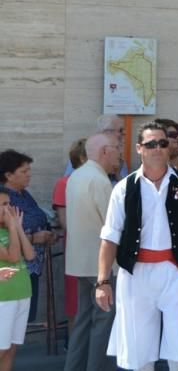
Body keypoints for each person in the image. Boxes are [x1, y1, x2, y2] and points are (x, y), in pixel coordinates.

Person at [96, 122, 178, 371]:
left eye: (163, 143)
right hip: (135, 272)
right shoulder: (124, 188)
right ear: (139, 148)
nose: (158, 148)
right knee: (138, 342)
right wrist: (102, 281)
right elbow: (109, 237)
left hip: (175, 271)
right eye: (151, 144)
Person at [64, 133, 121, 371]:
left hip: (80, 262)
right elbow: (113, 225)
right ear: (105, 151)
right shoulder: (99, 180)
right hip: (101, 265)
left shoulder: (76, 175)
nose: (119, 152)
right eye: (117, 147)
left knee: (83, 322)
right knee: (103, 324)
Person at [0, 149, 54, 322]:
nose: (29, 175)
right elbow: (6, 233)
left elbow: (37, 219)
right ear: (8, 175)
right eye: (24, 171)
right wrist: (33, 238)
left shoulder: (24, 194)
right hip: (11, 270)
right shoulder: (3, 199)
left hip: (30, 266)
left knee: (22, 323)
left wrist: (47, 234)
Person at [53, 138, 88, 332]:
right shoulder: (64, 183)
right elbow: (65, 221)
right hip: (78, 250)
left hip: (101, 251)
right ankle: (75, 345)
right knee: (76, 301)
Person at [0, 187, 35, 371]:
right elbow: (13, 256)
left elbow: (29, 255)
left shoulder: (10, 229)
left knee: (12, 348)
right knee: (2, 349)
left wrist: (18, 229)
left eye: (8, 204)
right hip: (3, 298)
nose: (9, 209)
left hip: (22, 293)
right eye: (3, 205)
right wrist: (13, 227)